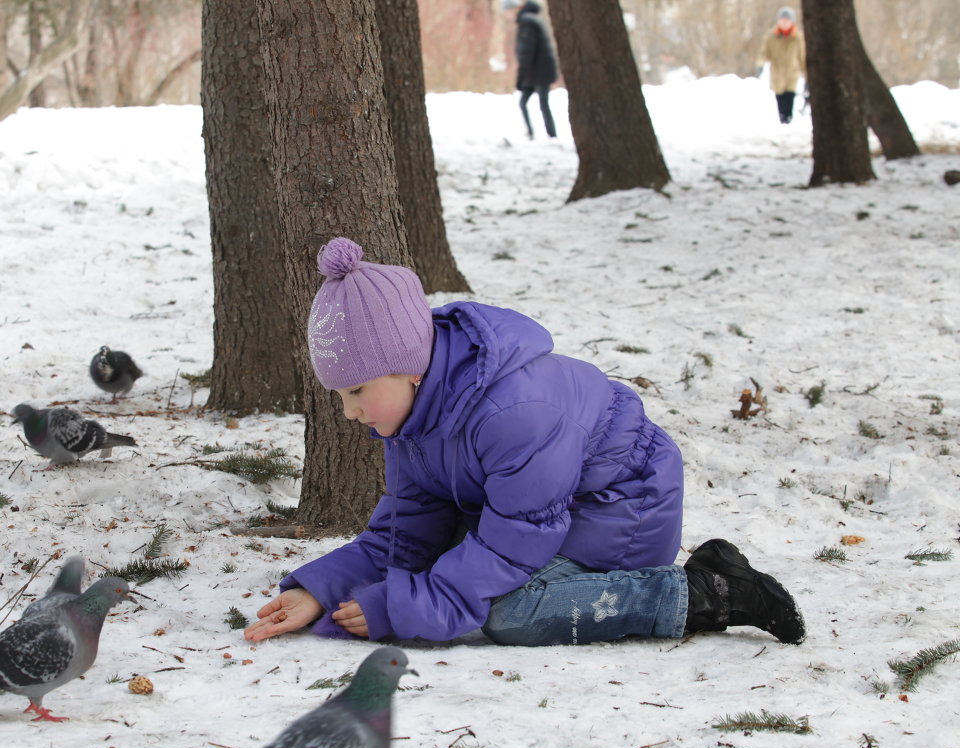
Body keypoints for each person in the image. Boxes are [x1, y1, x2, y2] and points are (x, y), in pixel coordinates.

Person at [243, 237, 806, 648]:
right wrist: (321, 590)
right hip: (537, 514)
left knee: (511, 614)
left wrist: (399, 606)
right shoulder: (409, 417)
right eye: (340, 395)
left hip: (619, 513)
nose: (349, 411)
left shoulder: (514, 410)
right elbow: (406, 531)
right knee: (451, 567)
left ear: (409, 367)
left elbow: (519, 537)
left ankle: (711, 592)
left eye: (358, 390)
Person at [508, 0, 558, 139]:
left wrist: (521, 77)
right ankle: (543, 134)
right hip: (539, 72)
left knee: (540, 105)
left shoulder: (527, 23)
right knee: (530, 104)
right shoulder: (534, 21)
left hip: (537, 73)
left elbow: (526, 53)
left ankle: (547, 134)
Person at [758, 6, 807, 124]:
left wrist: (807, 74)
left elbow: (802, 56)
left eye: (787, 20)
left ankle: (788, 119)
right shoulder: (771, 37)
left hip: (792, 73)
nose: (784, 23)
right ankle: (782, 119)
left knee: (789, 96)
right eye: (782, 20)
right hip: (777, 73)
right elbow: (763, 53)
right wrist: (759, 65)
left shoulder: (797, 38)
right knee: (780, 98)